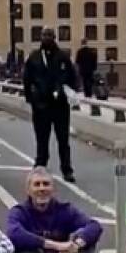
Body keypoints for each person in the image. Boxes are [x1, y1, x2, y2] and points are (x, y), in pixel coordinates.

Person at [23, 27, 79, 183]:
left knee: (63, 139)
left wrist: (68, 92)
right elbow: (27, 79)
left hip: (60, 105)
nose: (47, 38)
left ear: (54, 37)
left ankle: (67, 169)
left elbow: (72, 77)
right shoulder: (34, 57)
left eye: (50, 35)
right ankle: (40, 166)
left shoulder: (63, 57)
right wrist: (30, 98)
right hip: (41, 105)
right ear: (40, 37)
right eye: (44, 35)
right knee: (41, 138)